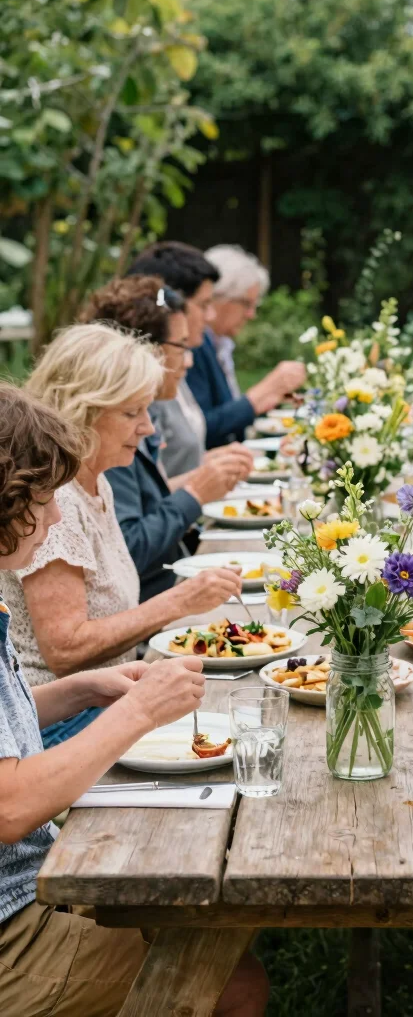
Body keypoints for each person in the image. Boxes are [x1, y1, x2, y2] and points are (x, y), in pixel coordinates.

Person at [0, 383, 267, 1017]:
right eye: (45, 501)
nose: (59, 519)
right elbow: (9, 807)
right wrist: (137, 714)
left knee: (217, 928)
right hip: (11, 928)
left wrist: (81, 692)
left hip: (26, 891)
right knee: (233, 981)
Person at [0, 324, 243, 746]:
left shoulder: (98, 483)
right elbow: (64, 650)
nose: (148, 428)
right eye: (132, 413)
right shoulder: (53, 502)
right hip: (60, 728)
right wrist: (179, 602)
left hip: (102, 700)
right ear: (84, 409)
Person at [78, 276, 253, 600]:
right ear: (147, 349)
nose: (189, 359)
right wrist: (195, 492)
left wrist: (202, 475)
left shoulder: (135, 417)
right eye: (182, 346)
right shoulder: (103, 430)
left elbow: (142, 505)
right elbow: (129, 544)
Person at [129, 241, 306, 449]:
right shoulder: (181, 351)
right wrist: (257, 397)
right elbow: (199, 434)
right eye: (205, 304)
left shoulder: (208, 345)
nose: (252, 314)